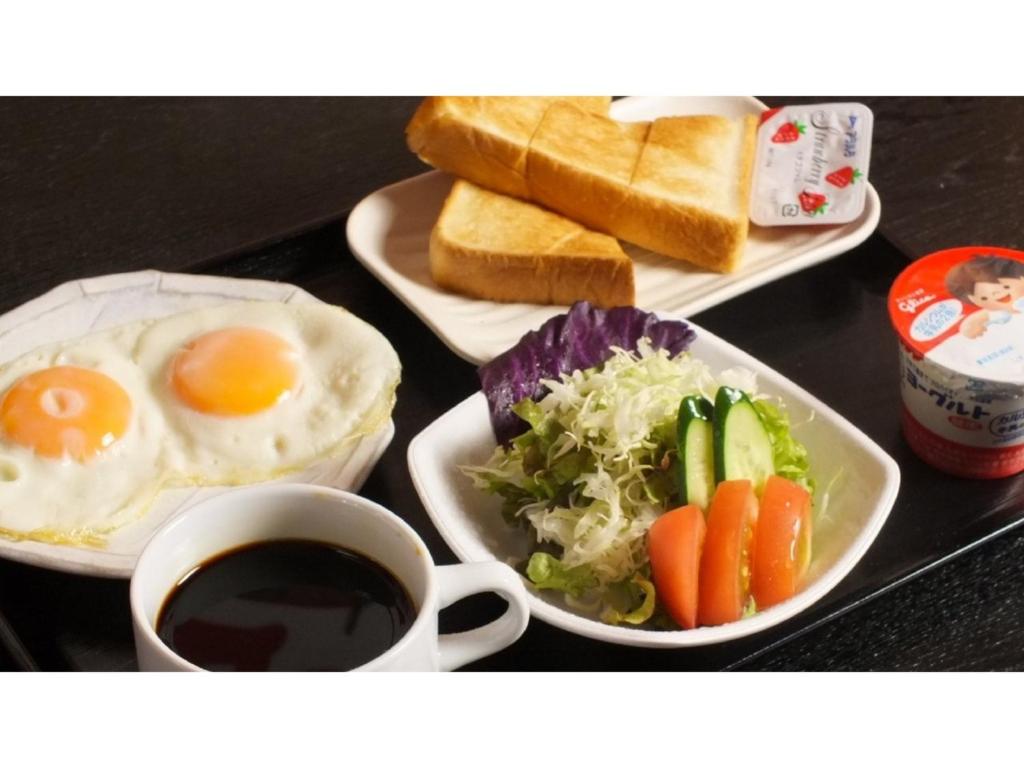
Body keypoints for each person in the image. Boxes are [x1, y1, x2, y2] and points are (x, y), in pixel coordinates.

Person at [945, 254, 1024, 339]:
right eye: (984, 298)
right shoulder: (994, 314)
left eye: (1006, 287)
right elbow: (969, 326)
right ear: (973, 301)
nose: (996, 294)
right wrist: (973, 328)